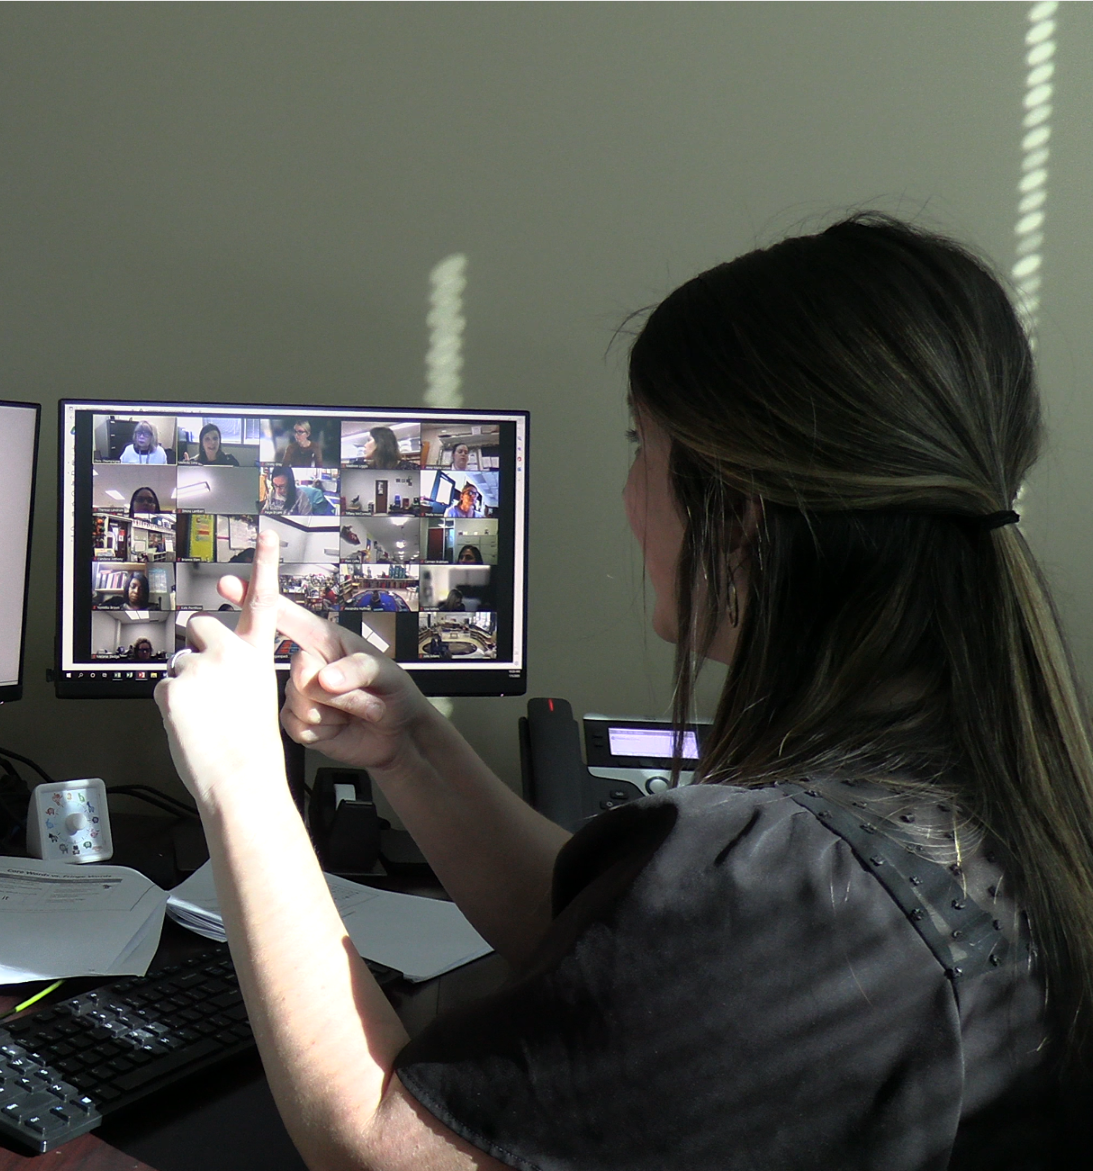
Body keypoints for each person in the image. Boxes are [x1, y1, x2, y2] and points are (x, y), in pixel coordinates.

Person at [154, 215, 1093, 1168]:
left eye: (641, 443)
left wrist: (241, 781)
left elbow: (382, 1151)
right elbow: (614, 964)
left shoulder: (788, 884)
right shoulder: (978, 787)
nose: (629, 485)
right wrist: (409, 743)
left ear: (740, 515)